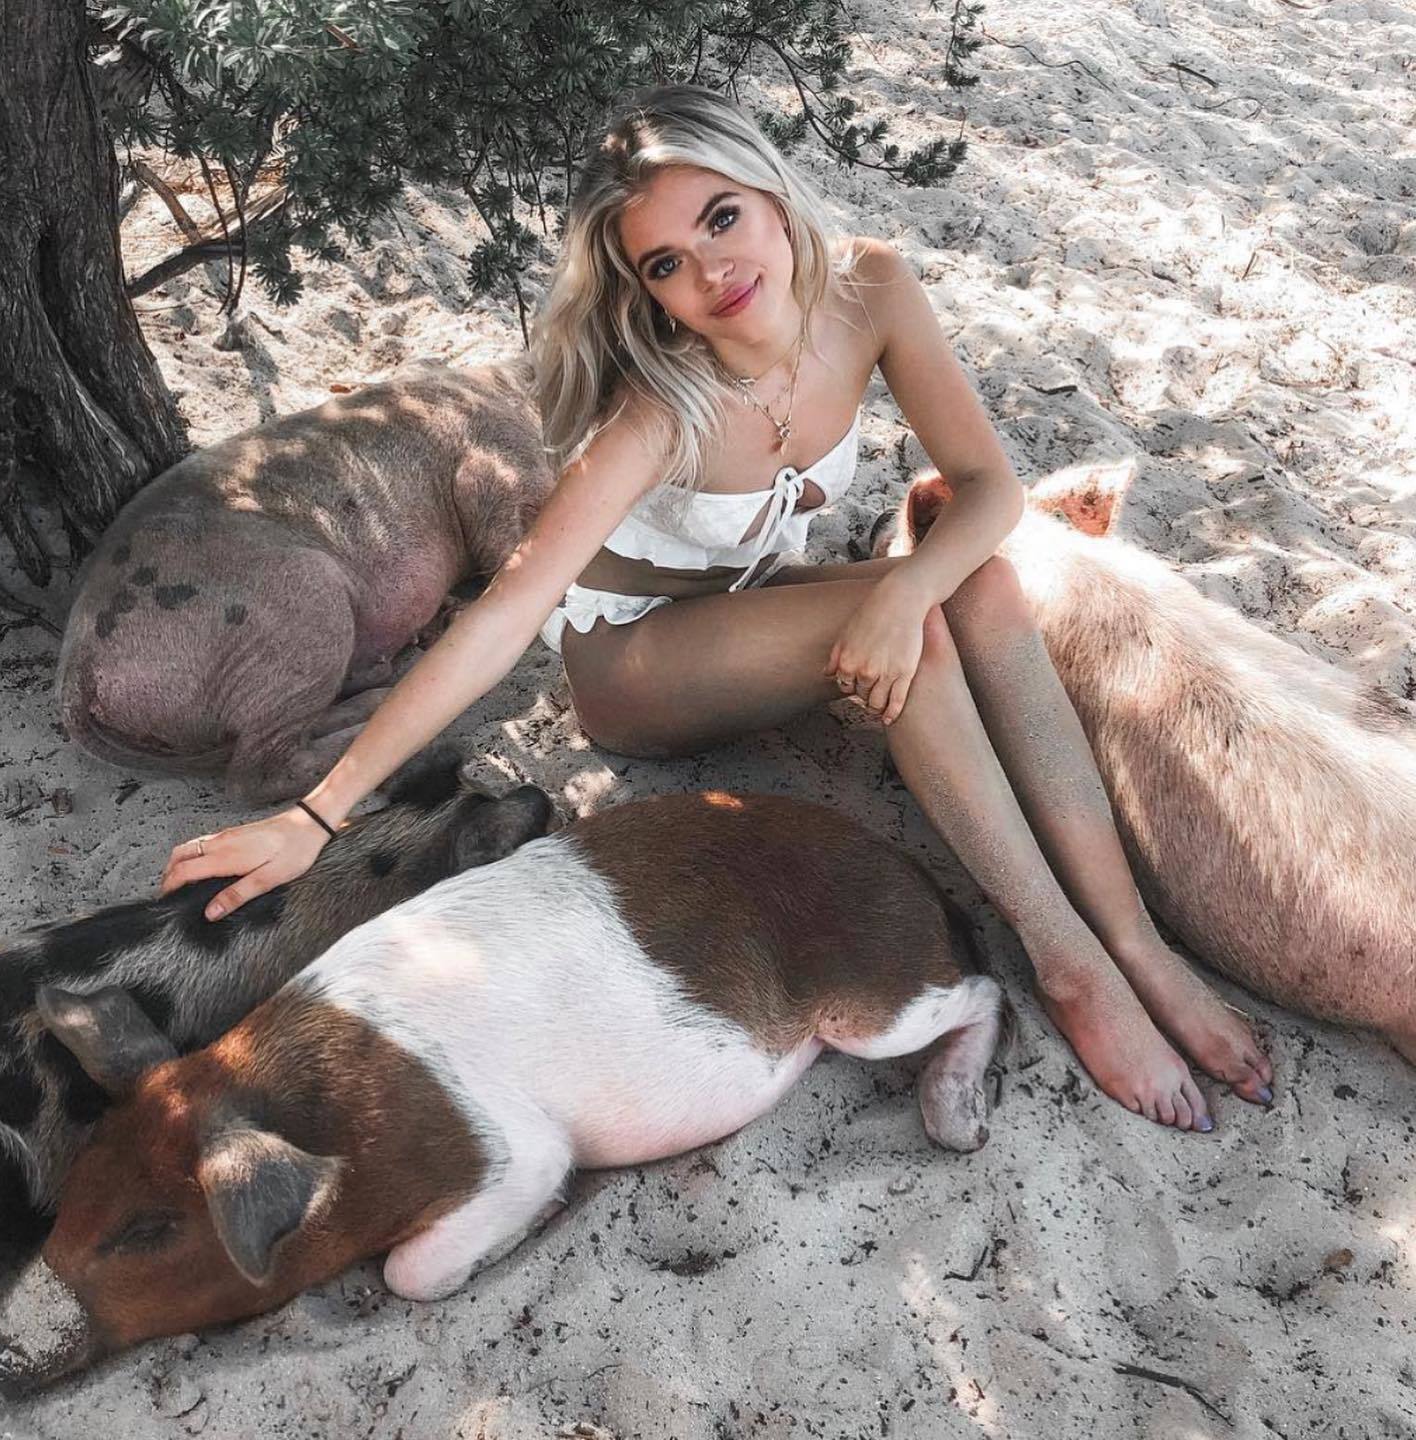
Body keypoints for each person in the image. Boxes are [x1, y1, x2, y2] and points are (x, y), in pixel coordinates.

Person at [160, 83, 1273, 1131]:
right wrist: (317, 816)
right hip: (636, 664)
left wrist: (906, 587)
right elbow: (503, 615)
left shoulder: (873, 292)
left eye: (722, 218)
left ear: (772, 193)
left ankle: (1136, 941)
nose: (712, 272)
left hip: (749, 608)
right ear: (647, 291)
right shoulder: (658, 411)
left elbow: (989, 490)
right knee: (916, 631)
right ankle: (1071, 963)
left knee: (971, 580)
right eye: (667, 264)